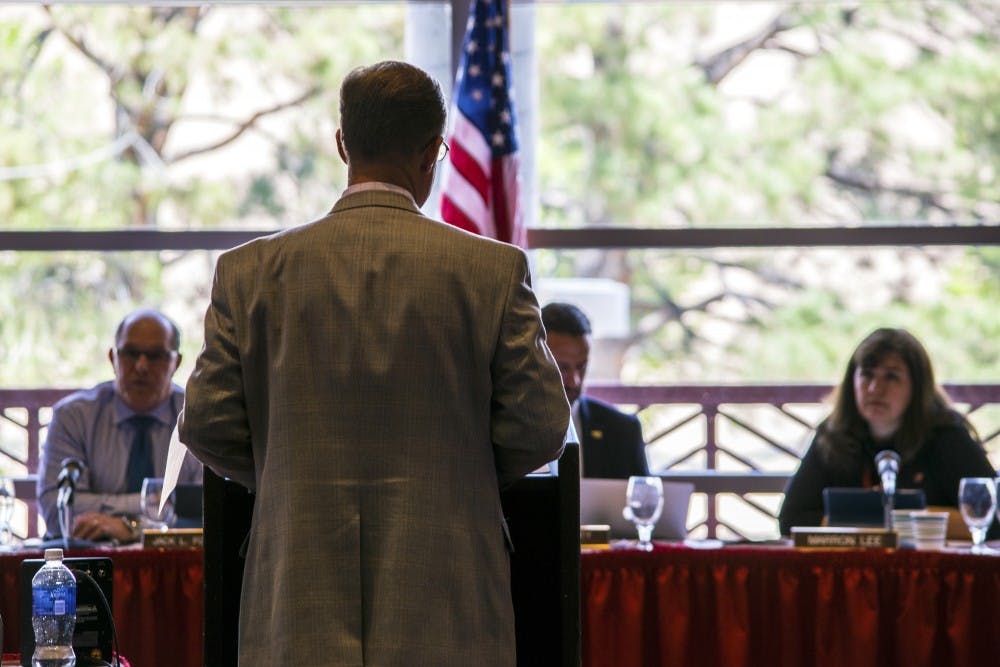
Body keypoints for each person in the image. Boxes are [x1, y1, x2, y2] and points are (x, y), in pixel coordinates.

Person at [178, 60, 569, 666]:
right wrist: (462, 472)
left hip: (294, 592)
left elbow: (204, 424)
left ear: (341, 144)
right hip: (450, 595)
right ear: (433, 153)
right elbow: (542, 426)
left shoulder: (249, 272)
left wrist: (286, 473)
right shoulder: (493, 270)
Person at [778, 327, 998, 539]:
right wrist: (891, 522)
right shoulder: (834, 434)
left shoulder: (947, 436)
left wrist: (886, 520)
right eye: (866, 375)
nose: (874, 388)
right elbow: (792, 519)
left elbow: (991, 521)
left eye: (891, 377)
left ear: (917, 387)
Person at [36, 308, 203, 542]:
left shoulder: (198, 415)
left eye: (155, 355)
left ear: (177, 362)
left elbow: (208, 510)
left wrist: (132, 527)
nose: (142, 366)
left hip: (177, 562)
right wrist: (156, 503)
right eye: (131, 353)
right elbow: (58, 509)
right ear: (112, 358)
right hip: (90, 561)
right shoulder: (73, 416)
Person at [541, 302, 650, 479]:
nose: (574, 380)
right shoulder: (505, 428)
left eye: (581, 367)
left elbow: (642, 498)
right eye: (562, 368)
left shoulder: (623, 431)